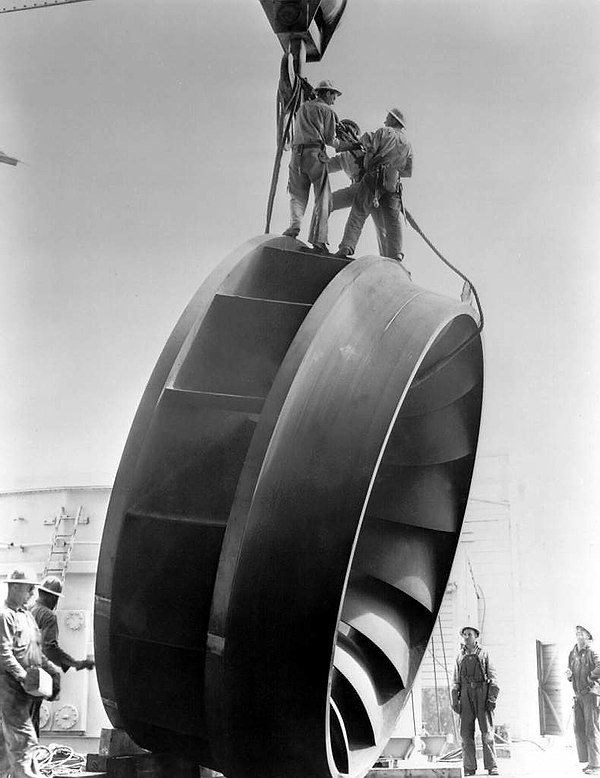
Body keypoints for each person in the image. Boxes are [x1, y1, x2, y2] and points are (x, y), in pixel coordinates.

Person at [283, 79, 358, 253]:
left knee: (297, 194)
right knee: (323, 199)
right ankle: (319, 240)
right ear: (327, 93)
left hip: (296, 155)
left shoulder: (302, 108)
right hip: (314, 154)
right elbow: (332, 141)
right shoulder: (327, 110)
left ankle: (294, 226)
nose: (334, 99)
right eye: (334, 95)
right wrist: (352, 145)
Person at [0, 569, 61, 778]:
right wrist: (22, 675)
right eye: (29, 588)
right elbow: (3, 653)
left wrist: (51, 669)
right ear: (15, 587)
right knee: (24, 739)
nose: (33, 593)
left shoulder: (26, 616)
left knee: (6, 742)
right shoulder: (5, 617)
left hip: (26, 689)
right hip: (10, 687)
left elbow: (36, 651)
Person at [335, 107, 413, 265]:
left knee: (359, 212)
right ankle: (395, 255)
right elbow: (407, 171)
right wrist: (392, 172)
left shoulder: (384, 132)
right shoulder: (408, 144)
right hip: (393, 185)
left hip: (373, 177)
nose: (385, 120)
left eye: (388, 118)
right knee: (392, 221)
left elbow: (366, 146)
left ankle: (347, 247)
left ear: (393, 120)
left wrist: (370, 163)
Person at [30, 576, 95, 736]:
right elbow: (49, 647)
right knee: (31, 720)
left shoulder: (28, 610)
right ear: (53, 597)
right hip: (32, 676)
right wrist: (75, 664)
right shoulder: (48, 616)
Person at [328, 118, 387, 257]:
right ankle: (320, 241)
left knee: (382, 228)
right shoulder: (342, 157)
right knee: (326, 203)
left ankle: (390, 261)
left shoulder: (364, 147)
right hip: (358, 188)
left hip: (372, 188)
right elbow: (324, 168)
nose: (342, 137)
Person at [451, 625, 500, 776]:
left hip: (482, 693)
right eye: (464, 634)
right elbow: (455, 680)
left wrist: (491, 697)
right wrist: (455, 699)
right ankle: (469, 767)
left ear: (476, 636)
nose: (466, 637)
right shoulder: (459, 656)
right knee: (466, 733)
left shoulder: (484, 654)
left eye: (469, 634)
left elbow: (493, 676)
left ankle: (492, 766)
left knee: (486, 732)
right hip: (465, 694)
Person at [567, 625, 600, 775]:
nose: (579, 636)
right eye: (577, 633)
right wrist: (569, 676)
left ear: (588, 637)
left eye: (582, 634)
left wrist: (590, 678)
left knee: (591, 729)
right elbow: (571, 671)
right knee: (579, 729)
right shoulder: (572, 653)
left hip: (590, 695)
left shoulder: (592, 652)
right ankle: (589, 762)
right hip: (578, 696)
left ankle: (596, 765)